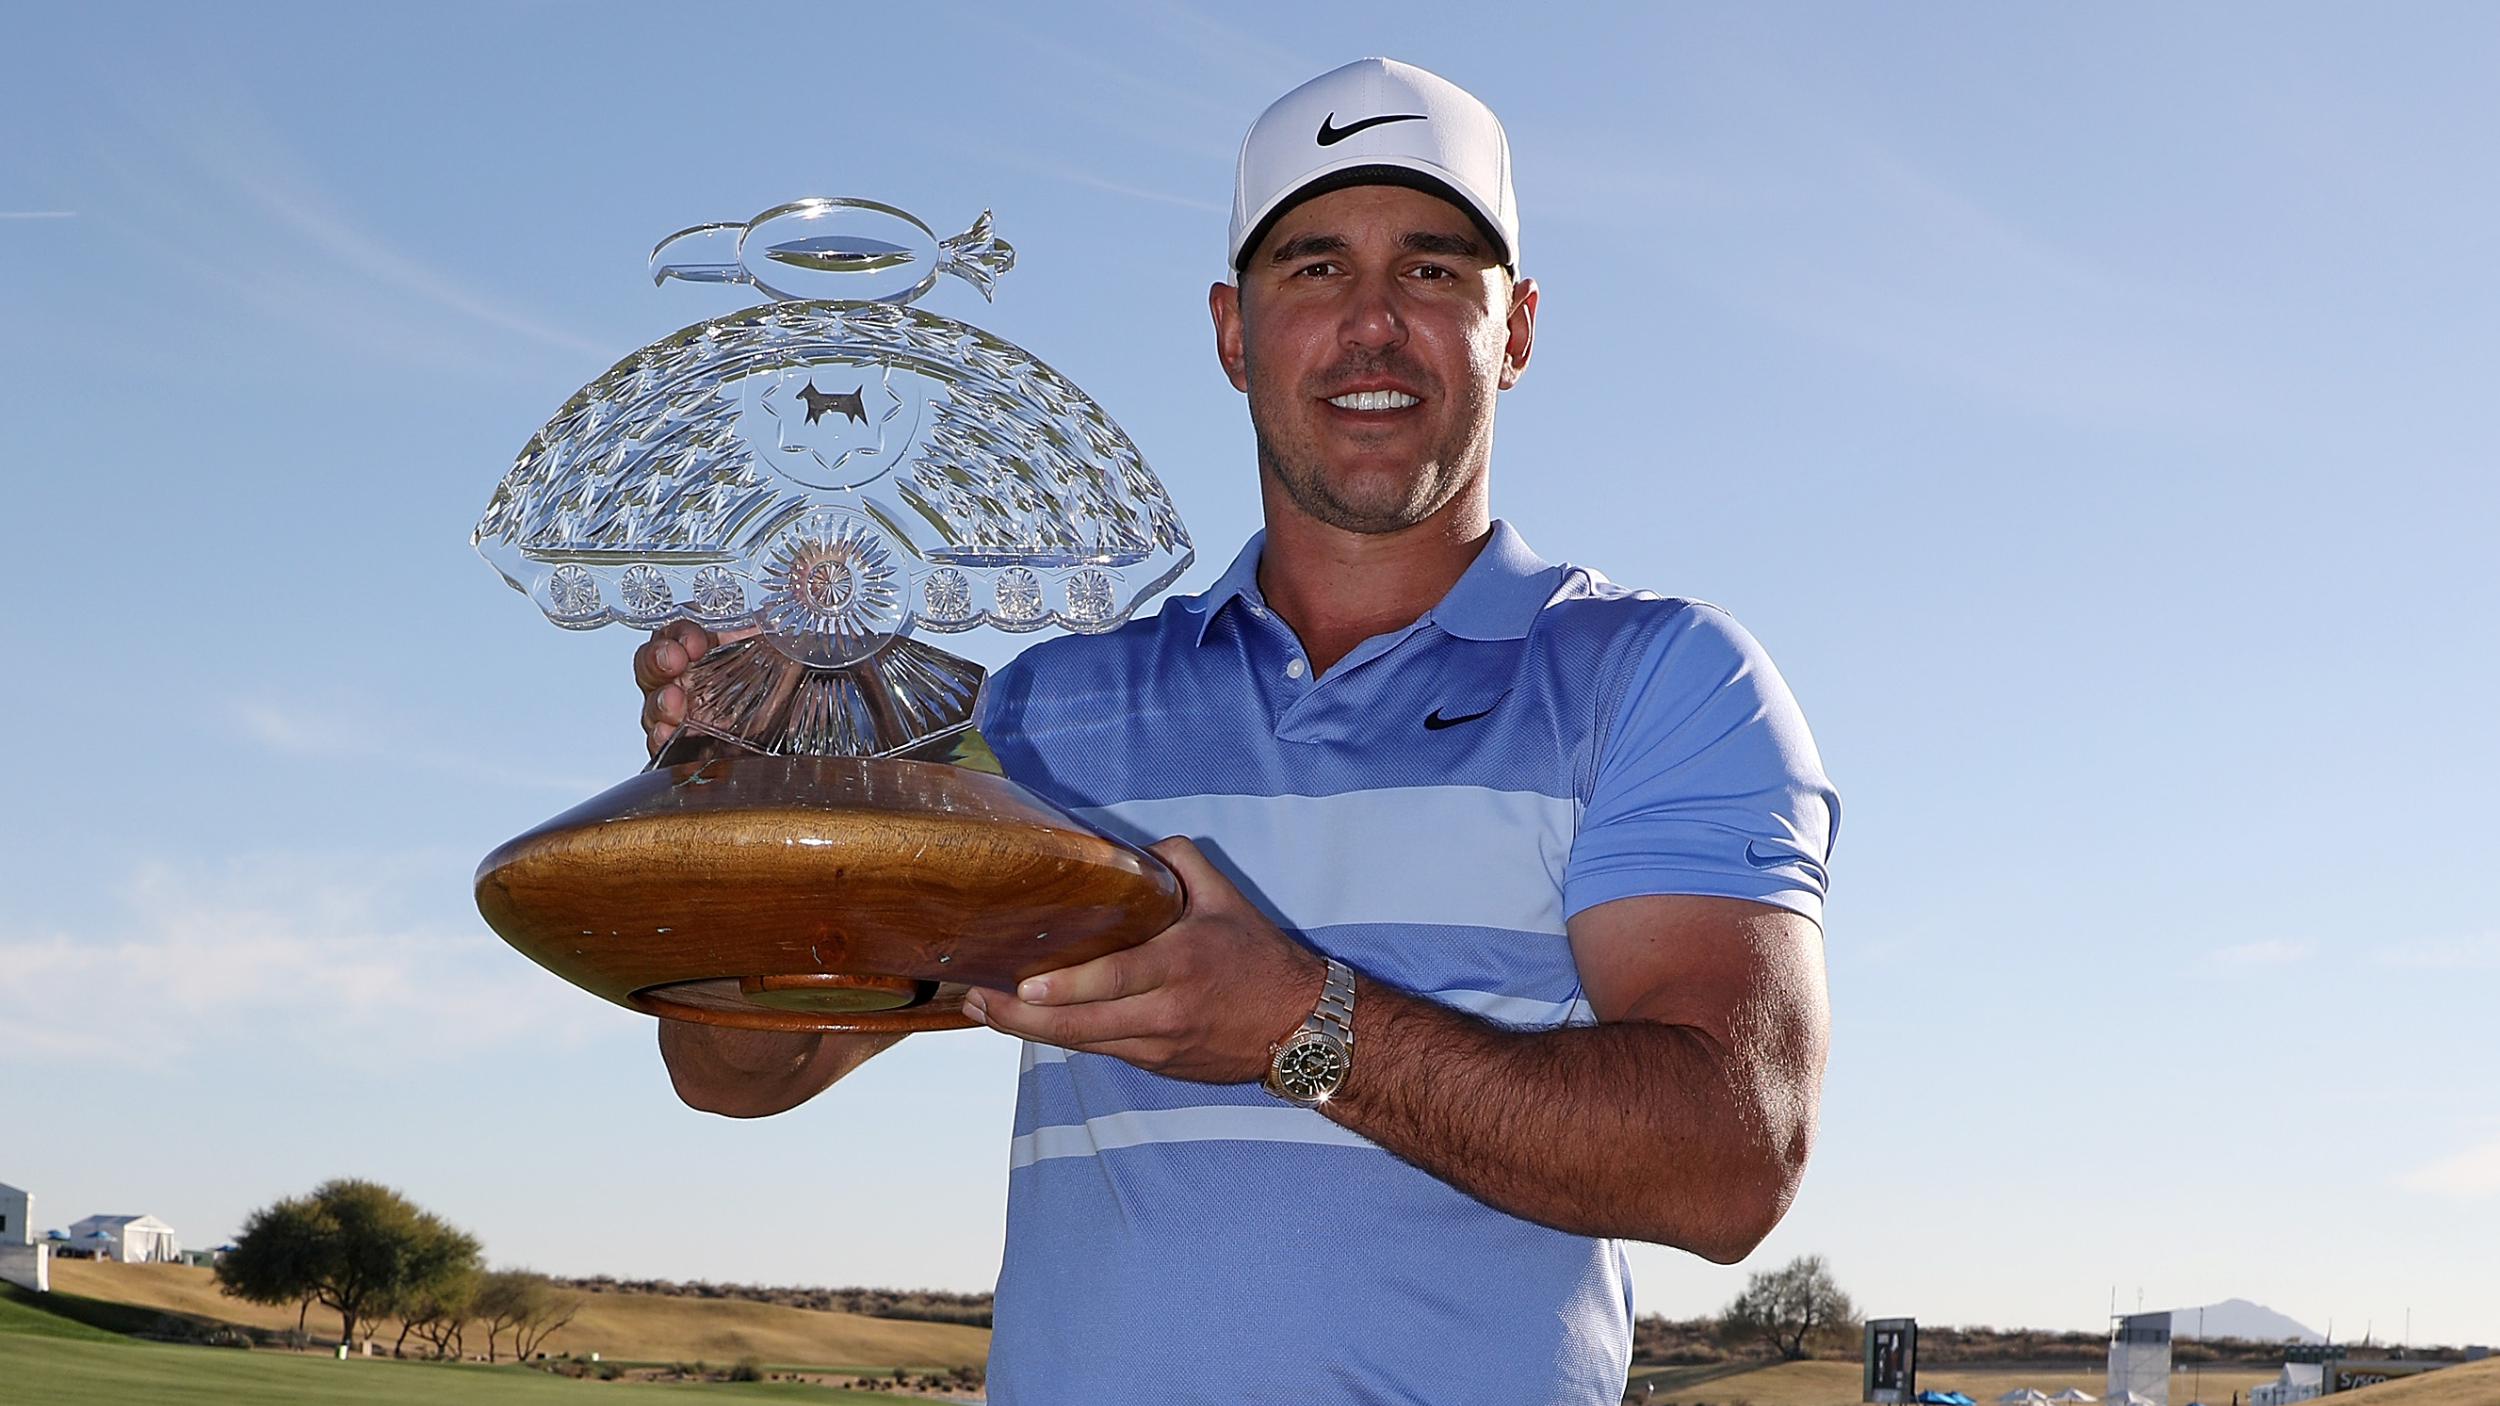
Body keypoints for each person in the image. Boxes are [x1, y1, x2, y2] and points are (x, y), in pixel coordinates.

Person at [635, 58, 1837, 1405]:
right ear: (1230, 330)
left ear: (1519, 328)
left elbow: (1734, 1155)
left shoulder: (1661, 678)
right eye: (1315, 270)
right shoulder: (1044, 717)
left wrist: (1299, 1021)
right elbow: (745, 1060)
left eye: (1436, 272)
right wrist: (737, 808)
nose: (1375, 324)